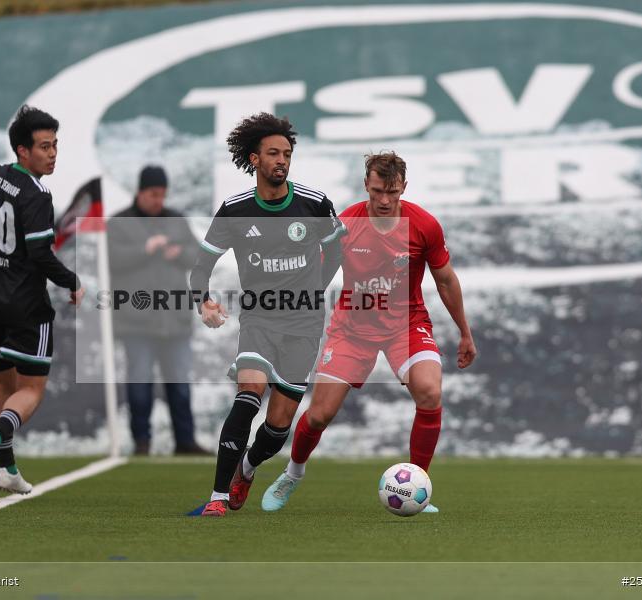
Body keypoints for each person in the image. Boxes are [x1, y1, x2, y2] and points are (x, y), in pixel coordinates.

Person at [260, 151, 477, 513]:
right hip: (352, 328)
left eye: (392, 191)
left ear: (404, 187)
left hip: (405, 325)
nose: (384, 200)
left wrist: (465, 332)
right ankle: (292, 474)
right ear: (366, 185)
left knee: (429, 391)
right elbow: (316, 278)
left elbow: (445, 280)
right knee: (319, 414)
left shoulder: (424, 225)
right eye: (377, 191)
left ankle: (416, 487)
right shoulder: (345, 224)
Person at [189, 112, 346, 517]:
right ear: (254, 159)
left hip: (305, 325)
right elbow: (200, 266)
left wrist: (315, 288)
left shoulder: (314, 203)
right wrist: (204, 301)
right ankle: (219, 497)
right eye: (273, 153)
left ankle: (247, 467)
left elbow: (337, 249)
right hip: (259, 321)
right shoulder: (235, 209)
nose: (282, 160)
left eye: (287, 153)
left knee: (278, 427)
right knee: (247, 398)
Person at [0, 105, 84, 494]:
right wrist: (72, 282)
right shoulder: (37, 194)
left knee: (4, 386)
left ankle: (4, 468)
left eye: (55, 145)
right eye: (44, 146)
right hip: (25, 306)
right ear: (22, 151)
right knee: (32, 390)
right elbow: (41, 255)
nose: (53, 153)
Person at [106, 165, 208, 456]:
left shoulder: (177, 220)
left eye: (162, 194)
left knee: (179, 385)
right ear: (140, 192)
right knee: (140, 385)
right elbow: (111, 260)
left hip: (174, 320)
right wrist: (146, 248)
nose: (158, 200)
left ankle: (185, 442)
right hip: (136, 322)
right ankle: (142, 443)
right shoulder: (119, 223)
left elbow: (199, 255)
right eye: (153, 194)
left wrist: (181, 253)